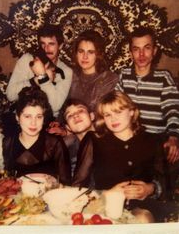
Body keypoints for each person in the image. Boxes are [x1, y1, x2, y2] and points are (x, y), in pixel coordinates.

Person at [72, 91, 178, 222]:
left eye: (118, 112)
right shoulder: (94, 140)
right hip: (103, 207)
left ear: (132, 111)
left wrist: (150, 189)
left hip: (144, 207)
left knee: (143, 218)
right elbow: (78, 186)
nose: (113, 119)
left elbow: (167, 185)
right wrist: (107, 193)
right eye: (107, 115)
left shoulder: (152, 140)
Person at [115, 26, 179, 197]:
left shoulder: (163, 77)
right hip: (129, 137)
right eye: (136, 49)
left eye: (147, 48)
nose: (141, 55)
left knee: (166, 157)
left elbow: (172, 108)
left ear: (155, 51)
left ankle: (157, 194)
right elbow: (115, 106)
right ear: (130, 53)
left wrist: (173, 136)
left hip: (154, 138)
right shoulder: (124, 75)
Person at [3, 87, 71, 185]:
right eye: (27, 116)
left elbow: (65, 183)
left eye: (39, 117)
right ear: (17, 117)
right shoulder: (8, 143)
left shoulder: (55, 144)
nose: (33, 123)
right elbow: (8, 181)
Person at [6, 24, 73, 117]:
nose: (46, 49)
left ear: (60, 46)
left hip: (48, 120)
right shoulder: (27, 60)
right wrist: (36, 80)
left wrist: (43, 77)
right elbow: (10, 95)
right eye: (43, 44)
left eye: (51, 44)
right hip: (24, 116)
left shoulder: (66, 71)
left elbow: (55, 106)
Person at [67, 30, 118, 113]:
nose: (85, 57)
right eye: (81, 51)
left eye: (90, 52)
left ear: (99, 55)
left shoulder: (109, 79)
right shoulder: (70, 75)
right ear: (76, 54)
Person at [61, 98, 95, 175]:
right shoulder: (68, 154)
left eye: (80, 111)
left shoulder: (110, 140)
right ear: (68, 127)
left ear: (92, 116)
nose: (75, 116)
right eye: (69, 115)